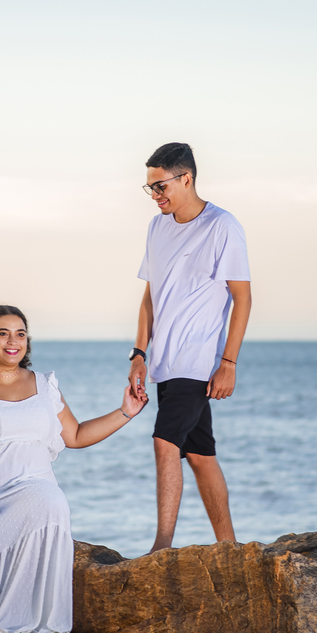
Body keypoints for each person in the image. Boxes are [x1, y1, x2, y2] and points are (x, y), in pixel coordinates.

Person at [0, 304, 147, 633]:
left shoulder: (45, 387)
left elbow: (74, 435)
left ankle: (28, 627)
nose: (12, 341)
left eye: (20, 334)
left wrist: (126, 412)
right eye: (2, 333)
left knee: (51, 501)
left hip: (29, 492)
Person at [128, 142, 252, 554]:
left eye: (161, 186)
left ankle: (161, 547)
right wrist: (139, 354)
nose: (156, 196)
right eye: (150, 188)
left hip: (197, 362)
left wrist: (228, 362)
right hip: (164, 362)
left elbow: (243, 297)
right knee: (200, 455)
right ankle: (229, 546)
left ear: (186, 179)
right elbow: (150, 297)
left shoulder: (223, 226)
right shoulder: (156, 228)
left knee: (165, 441)